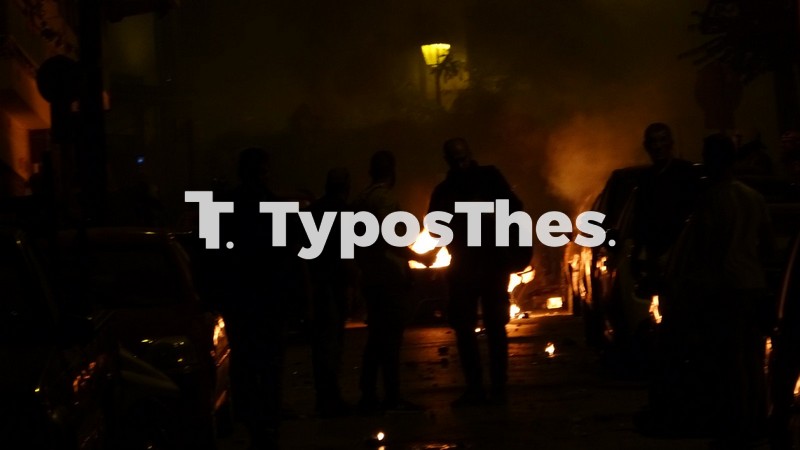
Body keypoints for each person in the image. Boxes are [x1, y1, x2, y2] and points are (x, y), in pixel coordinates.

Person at [668, 134, 773, 446]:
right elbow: (767, 245)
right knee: (753, 357)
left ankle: (738, 422)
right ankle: (758, 418)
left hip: (725, 289)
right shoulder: (754, 198)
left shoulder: (711, 200)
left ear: (714, 161)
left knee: (730, 358)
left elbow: (703, 250)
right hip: (754, 286)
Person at [428, 137, 526, 407]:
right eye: (455, 160)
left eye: (462, 159)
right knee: (465, 328)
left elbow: (515, 209)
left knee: (495, 327)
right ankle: (477, 389)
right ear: (448, 161)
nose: (460, 165)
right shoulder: (446, 190)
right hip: (468, 266)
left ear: (469, 155)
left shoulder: (489, 178)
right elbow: (435, 227)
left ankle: (497, 388)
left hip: (491, 263)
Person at [218, 147, 298, 450]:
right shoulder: (274, 207)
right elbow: (290, 257)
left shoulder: (226, 207)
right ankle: (267, 424)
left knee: (245, 364)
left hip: (241, 302)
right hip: (268, 302)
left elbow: (213, 257)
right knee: (269, 367)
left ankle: (253, 422)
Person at [352, 150, 426, 413]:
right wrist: (419, 257)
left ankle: (369, 395)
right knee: (391, 339)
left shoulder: (360, 199)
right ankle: (392, 397)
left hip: (370, 276)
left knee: (376, 338)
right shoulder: (384, 198)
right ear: (392, 172)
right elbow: (389, 238)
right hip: (387, 277)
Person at [307, 168, 356, 417]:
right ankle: (331, 399)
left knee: (321, 344)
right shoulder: (344, 212)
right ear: (345, 187)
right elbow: (347, 254)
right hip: (333, 285)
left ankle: (323, 397)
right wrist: (355, 283)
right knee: (332, 343)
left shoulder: (313, 211)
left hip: (316, 284)